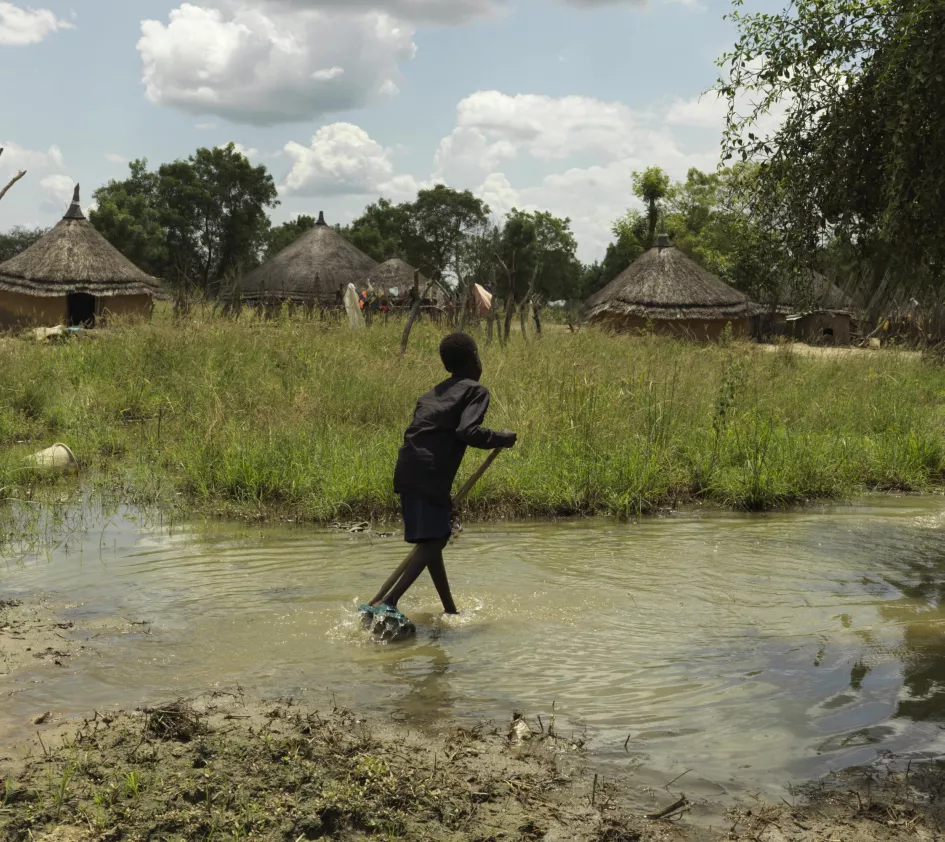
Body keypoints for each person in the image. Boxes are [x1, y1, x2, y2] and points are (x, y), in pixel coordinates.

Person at [373, 333, 516, 614]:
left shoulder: (429, 395)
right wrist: (501, 438)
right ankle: (389, 601)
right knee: (437, 539)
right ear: (475, 358)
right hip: (430, 472)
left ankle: (449, 610)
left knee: (432, 543)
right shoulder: (476, 390)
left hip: (407, 469)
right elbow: (467, 431)